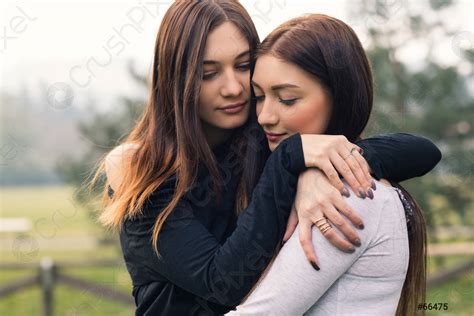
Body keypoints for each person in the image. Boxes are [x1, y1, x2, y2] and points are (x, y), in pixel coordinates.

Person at [93, 2, 441, 315]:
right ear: (176, 79)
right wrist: (293, 158)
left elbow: (422, 151)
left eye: (243, 66)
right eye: (208, 73)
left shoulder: (264, 140)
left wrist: (316, 168)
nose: (233, 88)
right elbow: (223, 283)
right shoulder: (143, 174)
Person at [227, 14, 431, 316]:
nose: (264, 116)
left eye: (287, 99)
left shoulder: (349, 197)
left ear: (340, 97)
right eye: (259, 96)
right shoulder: (295, 183)